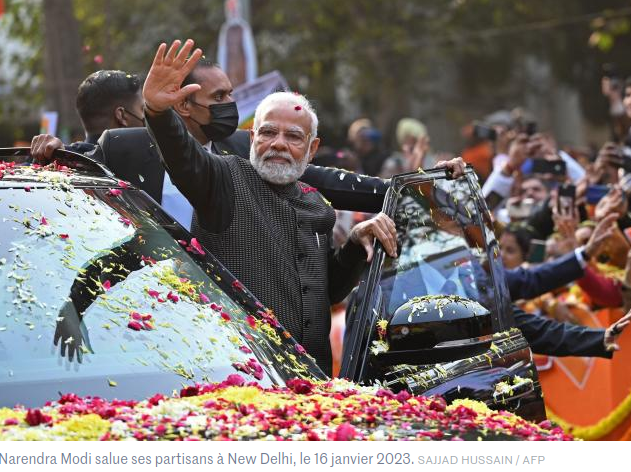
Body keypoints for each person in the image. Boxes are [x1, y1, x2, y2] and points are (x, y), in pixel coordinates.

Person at [141, 39, 399, 375]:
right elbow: (183, 156)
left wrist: (354, 242)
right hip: (242, 381)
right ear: (252, 139)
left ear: (312, 149)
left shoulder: (317, 205)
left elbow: (327, 292)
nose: (278, 144)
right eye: (268, 133)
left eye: (293, 136)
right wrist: (158, 112)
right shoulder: (223, 180)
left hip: (314, 384)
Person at [30, 70, 145, 158]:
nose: (147, 117)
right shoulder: (137, 164)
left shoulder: (66, 163)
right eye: (143, 109)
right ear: (122, 116)